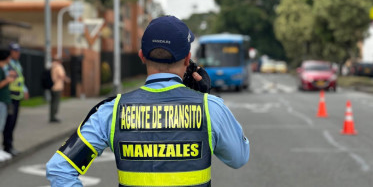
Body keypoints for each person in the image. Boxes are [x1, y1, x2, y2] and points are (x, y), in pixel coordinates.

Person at [46, 16, 250, 186]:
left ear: (142, 56)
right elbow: (239, 157)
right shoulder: (210, 107)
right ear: (188, 59)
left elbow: (59, 169)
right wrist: (204, 98)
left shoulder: (112, 110)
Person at [3, 42, 28, 156]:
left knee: (12, 122)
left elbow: (20, 78)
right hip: (10, 96)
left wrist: (25, 90)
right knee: (9, 122)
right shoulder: (7, 63)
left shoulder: (17, 64)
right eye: (15, 51)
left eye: (18, 51)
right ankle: (7, 146)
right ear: (10, 52)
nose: (18, 53)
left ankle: (9, 145)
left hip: (17, 96)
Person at [0, 49, 16, 162]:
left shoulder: (3, 69)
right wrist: (8, 80)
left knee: (2, 125)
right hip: (1, 101)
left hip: (4, 101)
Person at [50, 58, 70, 123]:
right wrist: (67, 79)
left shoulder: (52, 66)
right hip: (58, 87)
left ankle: (51, 116)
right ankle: (54, 117)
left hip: (52, 86)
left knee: (52, 102)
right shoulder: (59, 67)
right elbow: (61, 75)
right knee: (56, 102)